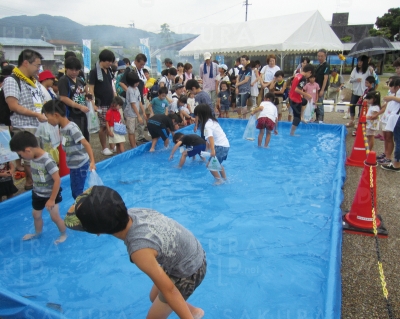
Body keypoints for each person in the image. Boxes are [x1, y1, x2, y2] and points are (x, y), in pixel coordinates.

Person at [64, 185, 206, 319]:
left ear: (98, 233)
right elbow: (73, 215)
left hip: (188, 270)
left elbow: (170, 290)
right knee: (153, 297)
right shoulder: (132, 212)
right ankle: (194, 312)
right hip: (188, 252)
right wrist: (95, 193)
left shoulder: (139, 251)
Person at [9, 131, 66, 244]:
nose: (21, 157)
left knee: (55, 217)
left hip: (51, 194)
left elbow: (57, 179)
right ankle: (38, 233)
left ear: (28, 150)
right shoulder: (32, 157)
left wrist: (52, 199)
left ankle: (63, 234)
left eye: (21, 154)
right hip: (38, 193)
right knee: (36, 215)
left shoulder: (47, 160)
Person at [3, 49, 48, 190]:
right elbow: (13, 105)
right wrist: (36, 115)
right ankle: (36, 184)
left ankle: (31, 183)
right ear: (26, 63)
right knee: (30, 158)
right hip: (23, 125)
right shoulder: (12, 80)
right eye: (37, 65)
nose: (38, 69)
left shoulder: (33, 82)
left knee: (38, 157)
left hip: (37, 124)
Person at [43, 100, 96, 199]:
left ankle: (83, 209)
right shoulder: (62, 128)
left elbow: (86, 143)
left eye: (47, 116)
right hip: (73, 165)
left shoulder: (71, 128)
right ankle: (82, 206)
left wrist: (92, 161)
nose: (47, 120)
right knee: (75, 191)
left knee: (77, 192)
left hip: (80, 165)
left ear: (56, 115)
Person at [88, 49, 116, 156]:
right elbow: (91, 88)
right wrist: (93, 104)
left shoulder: (108, 71)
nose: (110, 63)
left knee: (111, 124)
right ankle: (104, 147)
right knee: (104, 126)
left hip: (110, 102)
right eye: (108, 61)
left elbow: (111, 86)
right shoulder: (94, 72)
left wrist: (114, 98)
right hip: (101, 103)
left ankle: (112, 145)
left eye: (111, 61)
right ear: (102, 60)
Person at [58, 57, 91, 141]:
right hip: (70, 114)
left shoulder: (80, 80)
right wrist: (79, 106)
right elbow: (63, 98)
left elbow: (85, 88)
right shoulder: (64, 80)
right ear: (66, 69)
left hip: (82, 113)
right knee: (74, 138)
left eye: (76, 70)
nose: (74, 72)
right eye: (71, 70)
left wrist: (87, 95)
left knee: (84, 136)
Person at [196, 104, 229, 184]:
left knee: (210, 166)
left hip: (220, 147)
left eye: (197, 115)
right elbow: (209, 138)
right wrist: (208, 148)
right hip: (224, 145)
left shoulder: (207, 125)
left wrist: (213, 150)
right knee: (217, 164)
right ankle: (225, 179)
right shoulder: (212, 121)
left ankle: (219, 180)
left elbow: (211, 137)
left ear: (201, 115)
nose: (196, 117)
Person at [347, 55, 375, 127]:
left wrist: (372, 71)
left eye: (361, 61)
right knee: (352, 104)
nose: (359, 63)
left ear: (365, 62)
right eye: (358, 61)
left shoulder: (369, 69)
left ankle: (358, 121)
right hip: (355, 91)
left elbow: (373, 79)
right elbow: (350, 80)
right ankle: (351, 120)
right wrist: (356, 80)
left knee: (361, 106)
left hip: (364, 92)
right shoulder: (355, 70)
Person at [379, 77, 400, 166]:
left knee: (391, 138)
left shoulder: (396, 94)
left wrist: (391, 97)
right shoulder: (394, 94)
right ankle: (386, 154)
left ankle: (389, 158)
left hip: (394, 118)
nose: (390, 88)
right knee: (386, 138)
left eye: (391, 86)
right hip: (388, 116)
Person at [288, 64, 314, 136]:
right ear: (309, 72)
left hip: (292, 98)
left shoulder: (297, 75)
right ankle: (292, 133)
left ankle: (301, 117)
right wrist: (307, 95)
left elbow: (294, 87)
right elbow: (297, 89)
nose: (309, 77)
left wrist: (302, 95)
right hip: (295, 100)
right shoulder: (303, 78)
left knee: (304, 101)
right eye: (310, 75)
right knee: (297, 118)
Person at [125, 72, 146, 148]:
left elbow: (139, 101)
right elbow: (133, 104)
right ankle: (133, 146)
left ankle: (134, 144)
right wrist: (139, 116)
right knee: (131, 131)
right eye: (136, 82)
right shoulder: (130, 90)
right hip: (130, 113)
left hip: (135, 112)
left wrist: (143, 112)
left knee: (134, 129)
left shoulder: (136, 88)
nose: (137, 83)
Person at [314, 49, 330, 123]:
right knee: (316, 103)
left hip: (321, 87)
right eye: (318, 56)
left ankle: (320, 119)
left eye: (321, 56)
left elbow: (325, 78)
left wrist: (322, 90)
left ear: (325, 56)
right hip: (316, 87)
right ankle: (317, 118)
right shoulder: (318, 66)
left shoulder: (326, 65)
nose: (320, 58)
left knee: (320, 103)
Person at [236, 55, 252, 120]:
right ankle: (239, 117)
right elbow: (238, 78)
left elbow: (246, 80)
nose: (242, 62)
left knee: (243, 104)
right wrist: (237, 87)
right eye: (241, 60)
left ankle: (244, 118)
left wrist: (238, 84)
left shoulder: (249, 70)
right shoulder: (240, 69)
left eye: (243, 60)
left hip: (245, 89)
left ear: (247, 61)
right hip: (239, 89)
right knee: (238, 105)